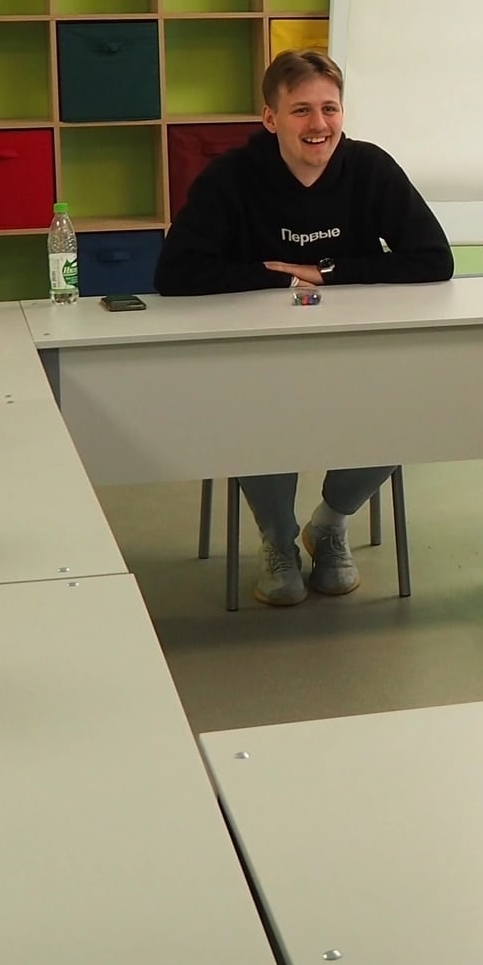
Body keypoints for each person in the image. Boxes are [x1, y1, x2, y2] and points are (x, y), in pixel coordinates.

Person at [156, 49, 452, 606]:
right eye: (301, 111)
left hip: (355, 349)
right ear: (271, 119)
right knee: (255, 412)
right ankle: (277, 538)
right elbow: (175, 274)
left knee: (408, 401)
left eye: (329, 109)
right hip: (258, 356)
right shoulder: (231, 177)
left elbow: (434, 259)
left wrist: (326, 272)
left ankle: (331, 522)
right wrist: (281, 280)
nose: (319, 125)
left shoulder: (370, 168)